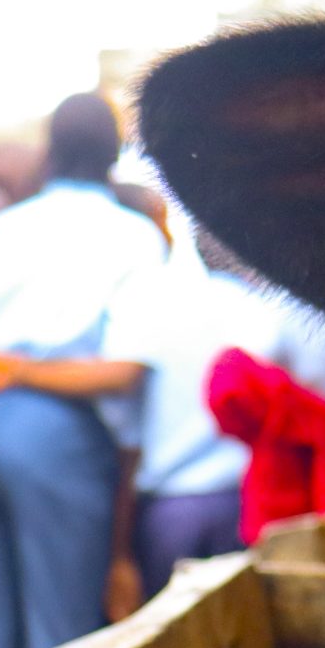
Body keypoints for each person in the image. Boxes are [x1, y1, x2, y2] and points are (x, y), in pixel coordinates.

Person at [0, 93, 165, 648]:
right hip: (61, 448)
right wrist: (29, 374)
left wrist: (12, 372)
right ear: (113, 157)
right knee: (59, 647)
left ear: (49, 152)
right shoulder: (135, 239)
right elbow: (124, 373)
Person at [103, 214, 280, 600]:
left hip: (172, 512)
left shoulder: (152, 305)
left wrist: (119, 552)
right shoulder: (265, 312)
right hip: (247, 508)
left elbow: (125, 435)